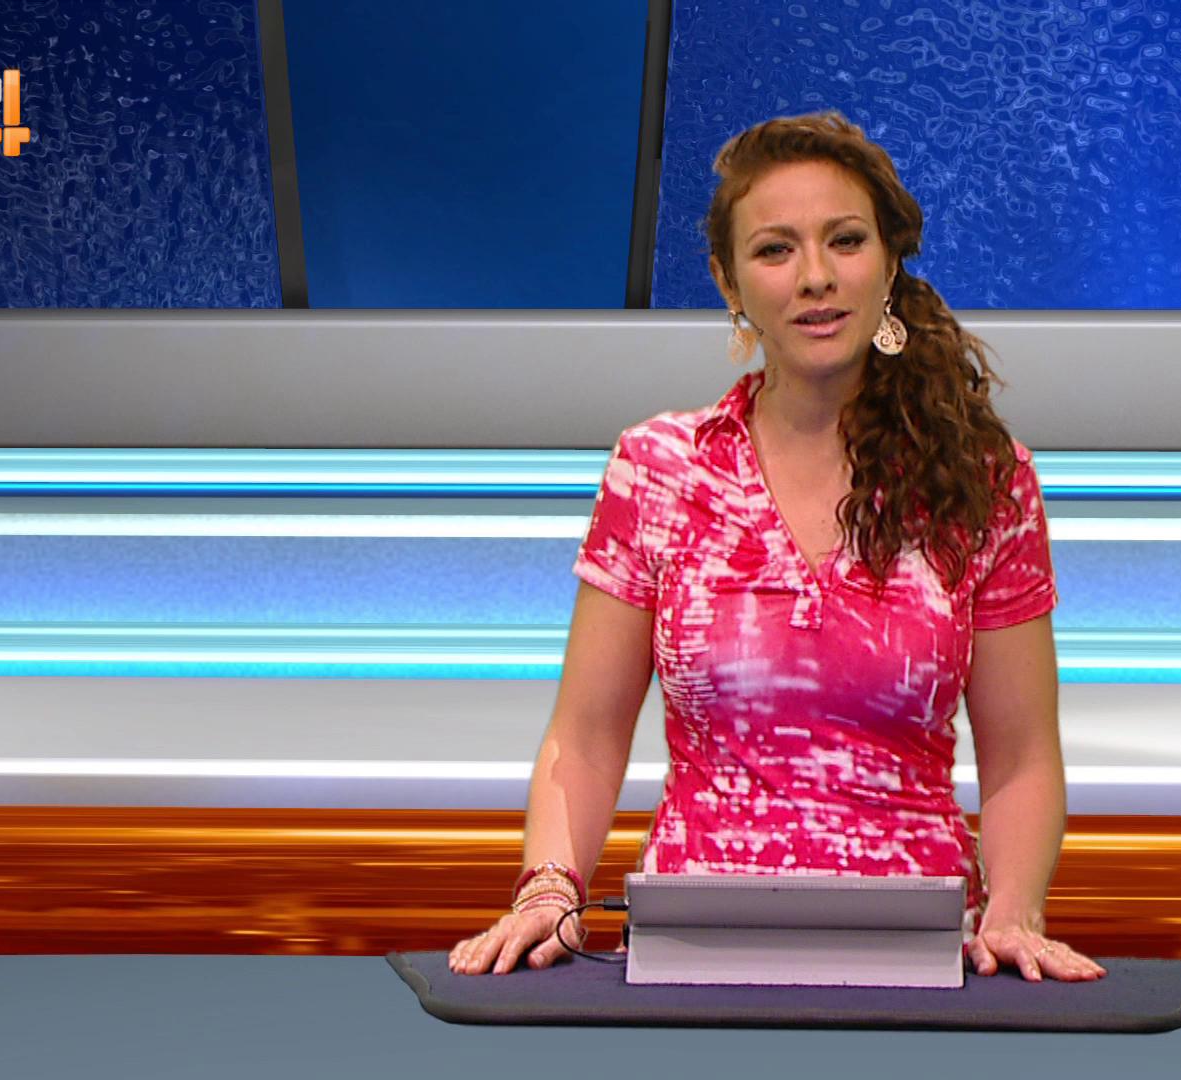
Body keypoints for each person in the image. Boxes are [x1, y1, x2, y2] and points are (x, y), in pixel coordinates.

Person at [449, 111, 1104, 984]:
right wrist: (547, 892)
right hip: (690, 959)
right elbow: (587, 736)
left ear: (890, 262)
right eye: (775, 250)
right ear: (728, 281)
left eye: (846, 240)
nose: (816, 277)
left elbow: (1020, 755)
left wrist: (1014, 915)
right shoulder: (660, 469)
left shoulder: (985, 478)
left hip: (921, 964)